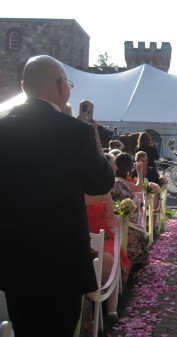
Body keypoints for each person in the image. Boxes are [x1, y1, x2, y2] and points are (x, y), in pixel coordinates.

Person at [0, 55, 115, 337]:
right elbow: (100, 184)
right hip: (59, 262)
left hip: (12, 257)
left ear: (24, 85)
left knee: (23, 327)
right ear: (62, 85)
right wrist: (99, 149)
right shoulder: (75, 131)